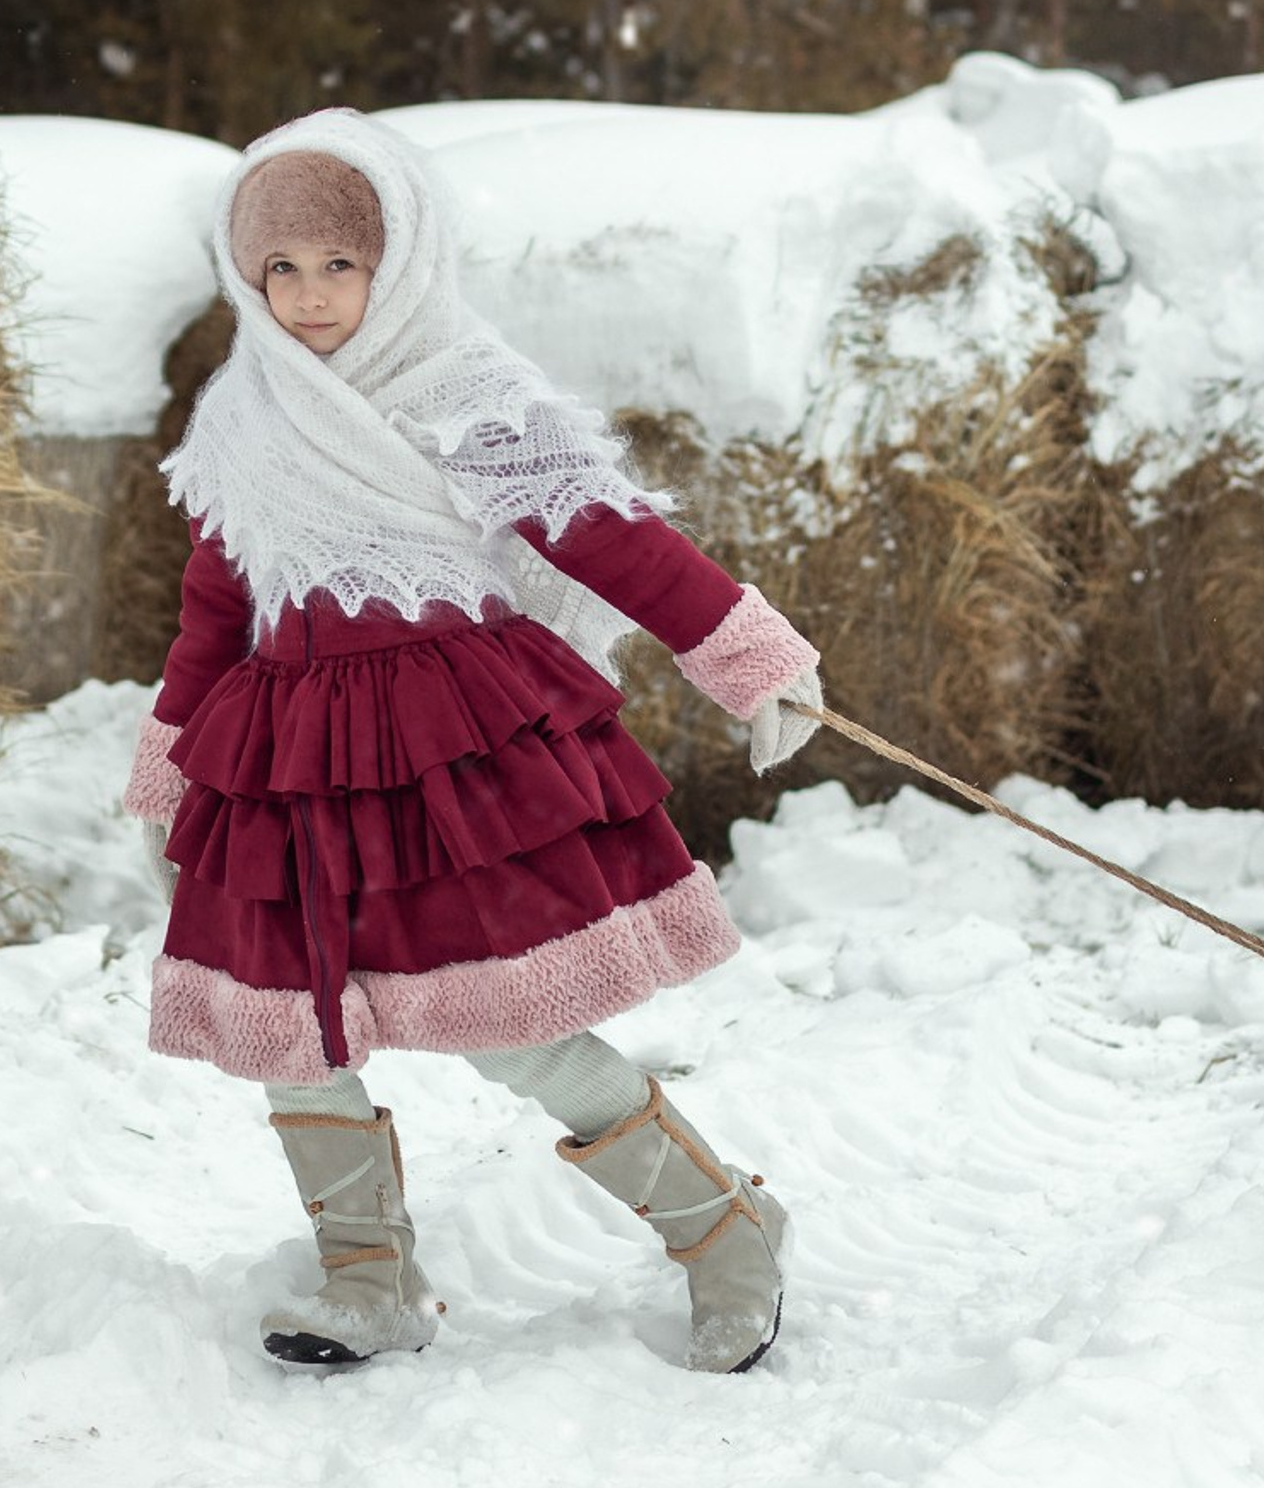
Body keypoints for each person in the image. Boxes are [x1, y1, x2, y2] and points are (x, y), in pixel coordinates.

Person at [121, 109, 824, 1377]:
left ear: (399, 260)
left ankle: (724, 1227)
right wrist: (174, 751)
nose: (309, 295)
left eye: (340, 263)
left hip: (441, 751)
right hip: (284, 759)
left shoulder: (469, 395)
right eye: (280, 268)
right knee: (295, 1026)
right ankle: (368, 1278)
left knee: (517, 1025)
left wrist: (744, 651)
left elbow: (606, 534)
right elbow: (216, 608)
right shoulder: (241, 417)